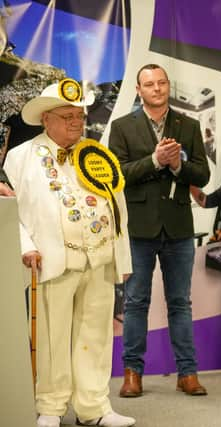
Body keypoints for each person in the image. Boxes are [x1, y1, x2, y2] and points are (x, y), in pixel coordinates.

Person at [3, 80, 135, 427]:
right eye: (68, 116)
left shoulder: (95, 154)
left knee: (96, 336)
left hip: (99, 260)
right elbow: (10, 211)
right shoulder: (20, 157)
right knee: (52, 338)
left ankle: (94, 407)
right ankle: (51, 406)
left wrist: (122, 257)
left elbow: (117, 208)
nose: (77, 122)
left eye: (80, 115)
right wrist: (26, 246)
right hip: (51, 262)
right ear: (46, 118)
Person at [109, 64, 211, 398]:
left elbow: (203, 175)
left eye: (162, 82)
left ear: (169, 86)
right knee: (136, 302)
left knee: (180, 302)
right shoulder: (123, 127)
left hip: (179, 227)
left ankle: (188, 373)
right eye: (149, 84)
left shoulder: (189, 125)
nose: (156, 88)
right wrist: (155, 160)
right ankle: (132, 373)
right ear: (138, 90)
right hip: (138, 228)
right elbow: (118, 175)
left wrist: (178, 165)